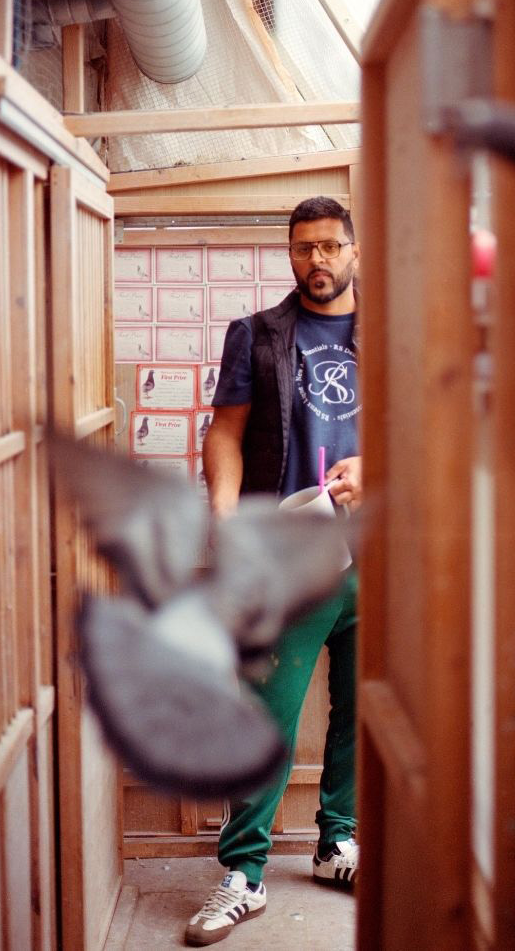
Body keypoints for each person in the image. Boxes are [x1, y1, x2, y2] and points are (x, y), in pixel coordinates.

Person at [186, 196, 365, 946]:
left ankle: (337, 844)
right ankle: (245, 874)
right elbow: (225, 434)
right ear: (289, 254)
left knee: (365, 707)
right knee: (267, 713)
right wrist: (223, 515)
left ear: (354, 250)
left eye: (329, 246)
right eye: (302, 248)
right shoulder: (256, 335)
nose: (316, 260)